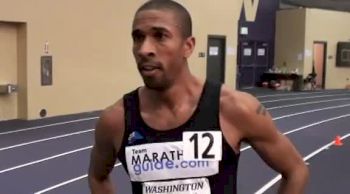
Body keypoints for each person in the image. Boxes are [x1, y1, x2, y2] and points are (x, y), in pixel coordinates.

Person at [88, 0, 309, 194]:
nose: (145, 49)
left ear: (188, 46)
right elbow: (97, 177)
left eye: (160, 36)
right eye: (138, 37)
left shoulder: (235, 108)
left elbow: (296, 170)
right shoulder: (116, 120)